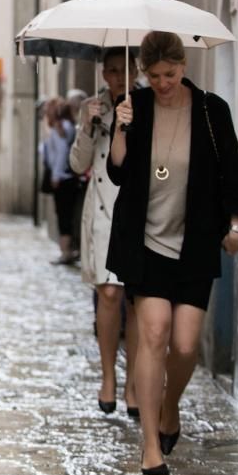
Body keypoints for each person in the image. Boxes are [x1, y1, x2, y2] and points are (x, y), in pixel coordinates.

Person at [108, 32, 238, 475]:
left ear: (183, 67)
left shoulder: (211, 111)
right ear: (144, 74)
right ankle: (151, 445)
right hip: (145, 242)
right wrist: (120, 126)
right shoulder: (137, 106)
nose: (163, 82)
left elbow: (233, 173)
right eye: (154, 76)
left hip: (194, 243)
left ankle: (171, 407)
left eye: (169, 74)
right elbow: (117, 172)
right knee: (153, 334)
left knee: (185, 345)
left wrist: (236, 224)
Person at [70, 48, 139, 418]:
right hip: (101, 214)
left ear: (135, 70)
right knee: (109, 295)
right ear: (103, 72)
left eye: (123, 70)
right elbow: (77, 164)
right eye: (111, 71)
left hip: (138, 213)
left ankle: (132, 383)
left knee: (136, 300)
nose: (116, 78)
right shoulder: (93, 110)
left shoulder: (146, 106)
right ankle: (108, 376)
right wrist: (87, 125)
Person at [40, 98, 79, 265]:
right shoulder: (68, 126)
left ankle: (65, 252)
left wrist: (56, 176)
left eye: (48, 109)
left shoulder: (60, 128)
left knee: (63, 215)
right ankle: (68, 250)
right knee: (67, 215)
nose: (45, 113)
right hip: (69, 177)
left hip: (63, 179)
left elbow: (61, 153)